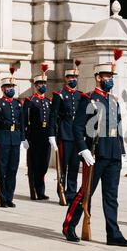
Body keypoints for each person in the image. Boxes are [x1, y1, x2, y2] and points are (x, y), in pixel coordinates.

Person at [62, 54, 127, 247]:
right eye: (107, 77)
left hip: (113, 153)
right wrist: (83, 150)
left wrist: (121, 151)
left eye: (112, 77)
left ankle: (113, 234)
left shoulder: (113, 100)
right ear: (98, 77)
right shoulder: (89, 100)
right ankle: (69, 225)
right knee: (85, 193)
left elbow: (117, 127)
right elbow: (78, 128)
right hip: (95, 153)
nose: (110, 80)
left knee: (111, 197)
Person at [0, 68, 29, 208]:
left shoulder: (17, 104)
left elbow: (21, 122)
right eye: (8, 87)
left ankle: (9, 197)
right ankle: (2, 197)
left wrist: (23, 138)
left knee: (12, 169)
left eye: (12, 87)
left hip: (15, 139)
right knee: (2, 169)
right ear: (3, 88)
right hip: (2, 138)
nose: (11, 89)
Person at [48, 61, 82, 205]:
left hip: (77, 136)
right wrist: (52, 135)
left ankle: (71, 194)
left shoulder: (80, 95)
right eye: (70, 78)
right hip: (65, 133)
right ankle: (61, 191)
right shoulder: (59, 95)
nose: (72, 80)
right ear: (65, 79)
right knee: (63, 167)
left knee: (74, 167)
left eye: (74, 78)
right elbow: (53, 116)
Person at [24, 64, 52, 201]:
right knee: (33, 165)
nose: (42, 86)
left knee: (44, 165)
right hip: (34, 136)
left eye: (44, 83)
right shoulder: (30, 101)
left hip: (46, 136)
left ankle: (41, 190)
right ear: (35, 86)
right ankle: (34, 191)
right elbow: (24, 119)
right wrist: (24, 137)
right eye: (40, 84)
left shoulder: (48, 101)